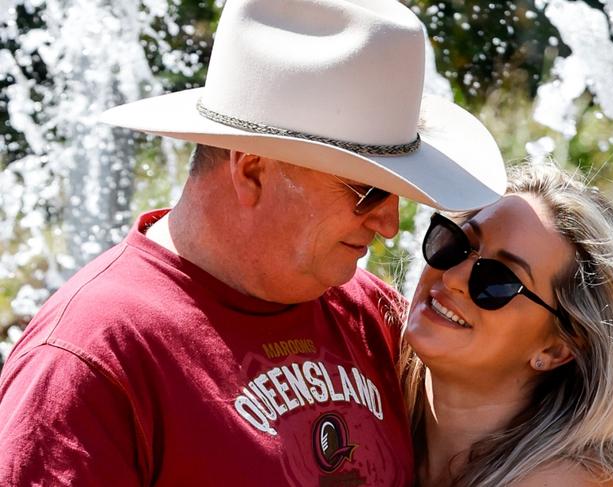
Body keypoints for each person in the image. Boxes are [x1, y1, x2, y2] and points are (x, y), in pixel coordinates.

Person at [0, 0, 506, 485]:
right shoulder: (87, 358)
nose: (390, 224)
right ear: (253, 171)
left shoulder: (371, 312)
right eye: (368, 191)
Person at [401, 161, 613, 486]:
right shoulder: (359, 371)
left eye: (497, 280)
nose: (452, 277)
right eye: (458, 245)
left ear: (558, 347)